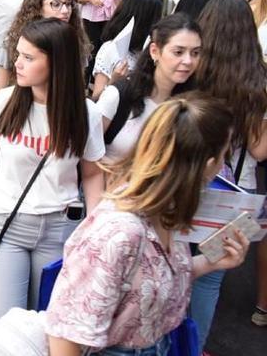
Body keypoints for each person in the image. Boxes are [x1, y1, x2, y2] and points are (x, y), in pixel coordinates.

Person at [47, 95, 250, 356]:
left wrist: (214, 261)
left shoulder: (163, 214)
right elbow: (65, 335)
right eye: (225, 154)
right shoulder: (121, 233)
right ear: (209, 165)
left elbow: (154, 280)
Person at [0, 17, 105, 323]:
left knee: (48, 324)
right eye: (18, 55)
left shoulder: (85, 113)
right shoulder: (4, 103)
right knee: (6, 328)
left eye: (28, 57)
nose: (18, 63)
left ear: (56, 63)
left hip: (59, 226)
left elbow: (92, 173)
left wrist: (94, 228)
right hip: (5, 222)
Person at [191, 0, 267, 352]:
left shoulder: (191, 72)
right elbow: (259, 149)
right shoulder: (256, 82)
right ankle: (194, 347)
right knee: (209, 281)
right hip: (234, 196)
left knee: (172, 270)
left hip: (186, 186)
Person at [96, 13, 200, 163]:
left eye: (195, 53)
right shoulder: (120, 95)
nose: (188, 61)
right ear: (154, 51)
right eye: (178, 52)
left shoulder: (191, 105)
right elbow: (87, 152)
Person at [0, 0, 89, 91]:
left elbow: (78, 87)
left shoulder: (76, 41)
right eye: (56, 4)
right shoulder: (15, 40)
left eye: (68, 4)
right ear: (38, 8)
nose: (65, 10)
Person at [90, 0, 164, 100]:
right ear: (145, 21)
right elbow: (96, 98)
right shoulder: (111, 49)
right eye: (157, 17)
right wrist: (114, 81)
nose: (160, 22)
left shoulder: (150, 48)